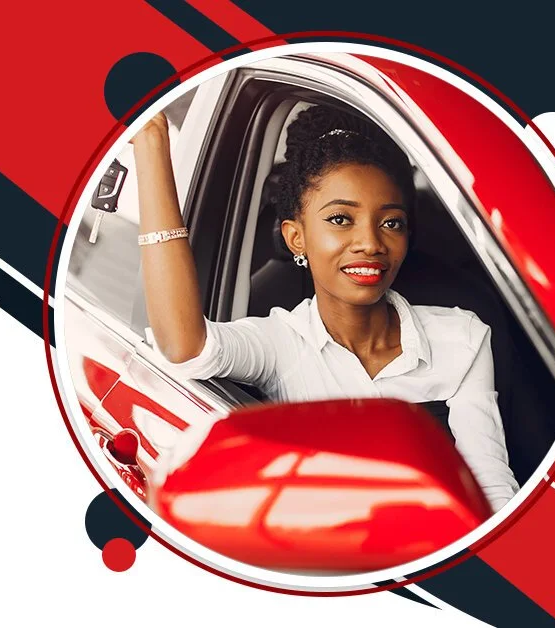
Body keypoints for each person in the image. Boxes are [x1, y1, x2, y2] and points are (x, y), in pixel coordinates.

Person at [128, 104, 519, 511]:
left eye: (391, 223)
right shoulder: (282, 344)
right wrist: (151, 140)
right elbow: (186, 346)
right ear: (296, 238)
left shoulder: (463, 337)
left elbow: (489, 484)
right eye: (340, 219)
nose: (371, 243)